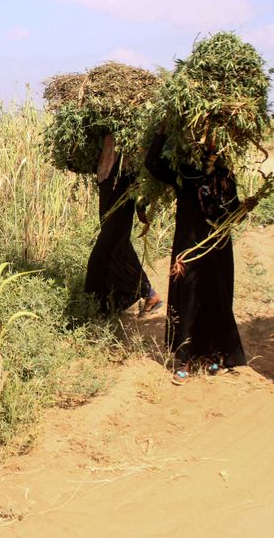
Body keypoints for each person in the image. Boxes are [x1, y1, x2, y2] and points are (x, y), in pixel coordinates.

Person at [145, 128, 246, 383]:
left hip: (217, 247)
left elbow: (233, 207)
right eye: (202, 142)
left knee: (215, 296)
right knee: (187, 297)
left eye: (213, 143)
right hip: (188, 247)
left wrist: (242, 209)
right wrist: (160, 133)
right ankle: (184, 359)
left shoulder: (225, 176)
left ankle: (214, 355)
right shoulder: (184, 173)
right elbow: (153, 164)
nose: (208, 147)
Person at [84, 133, 162, 314]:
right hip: (106, 187)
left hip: (122, 191)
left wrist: (142, 206)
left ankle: (95, 307)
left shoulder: (131, 136)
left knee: (103, 254)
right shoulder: (103, 133)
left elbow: (145, 172)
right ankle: (147, 295)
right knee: (119, 248)